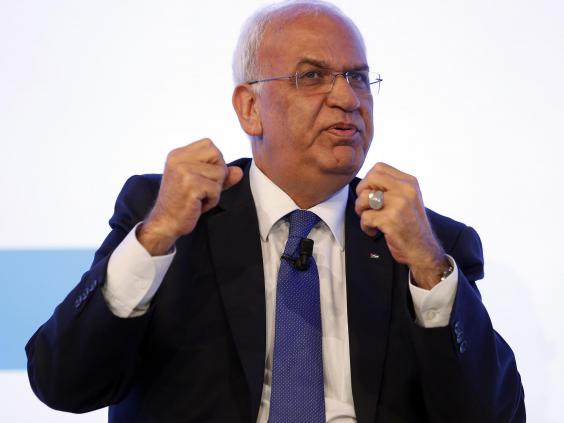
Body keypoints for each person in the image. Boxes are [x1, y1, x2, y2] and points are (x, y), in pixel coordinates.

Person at [25, 1, 525, 422]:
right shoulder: (171, 217)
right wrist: (154, 236)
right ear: (250, 108)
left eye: (357, 77)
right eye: (313, 76)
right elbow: (63, 383)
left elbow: (496, 415)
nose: (347, 98)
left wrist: (429, 269)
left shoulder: (426, 244)